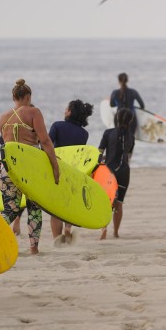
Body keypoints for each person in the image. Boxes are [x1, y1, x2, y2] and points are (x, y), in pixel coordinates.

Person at [0, 79, 59, 255]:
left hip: (7, 168)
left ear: (13, 97)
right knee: (34, 207)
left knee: (10, 210)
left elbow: (7, 144)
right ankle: (33, 248)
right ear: (28, 96)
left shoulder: (2, 117)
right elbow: (45, 141)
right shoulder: (33, 112)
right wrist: (55, 166)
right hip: (29, 168)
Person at [48, 99, 94, 242]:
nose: (64, 111)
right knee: (69, 203)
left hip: (57, 170)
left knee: (55, 208)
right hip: (73, 172)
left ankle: (57, 239)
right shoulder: (84, 134)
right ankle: (68, 228)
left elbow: (47, 145)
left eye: (66, 109)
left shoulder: (57, 126)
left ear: (70, 112)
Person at [99, 108, 135, 240]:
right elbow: (129, 155)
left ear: (116, 118)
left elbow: (100, 151)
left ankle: (104, 228)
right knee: (119, 202)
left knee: (107, 201)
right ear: (131, 121)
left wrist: (100, 163)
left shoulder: (108, 133)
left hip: (109, 171)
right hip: (124, 171)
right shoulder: (131, 137)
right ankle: (115, 232)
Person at [109, 72, 144, 138]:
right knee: (130, 139)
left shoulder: (114, 93)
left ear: (119, 81)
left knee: (119, 139)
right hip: (131, 118)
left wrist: (117, 102)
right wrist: (134, 107)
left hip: (118, 118)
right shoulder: (133, 92)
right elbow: (142, 105)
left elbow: (111, 105)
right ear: (127, 80)